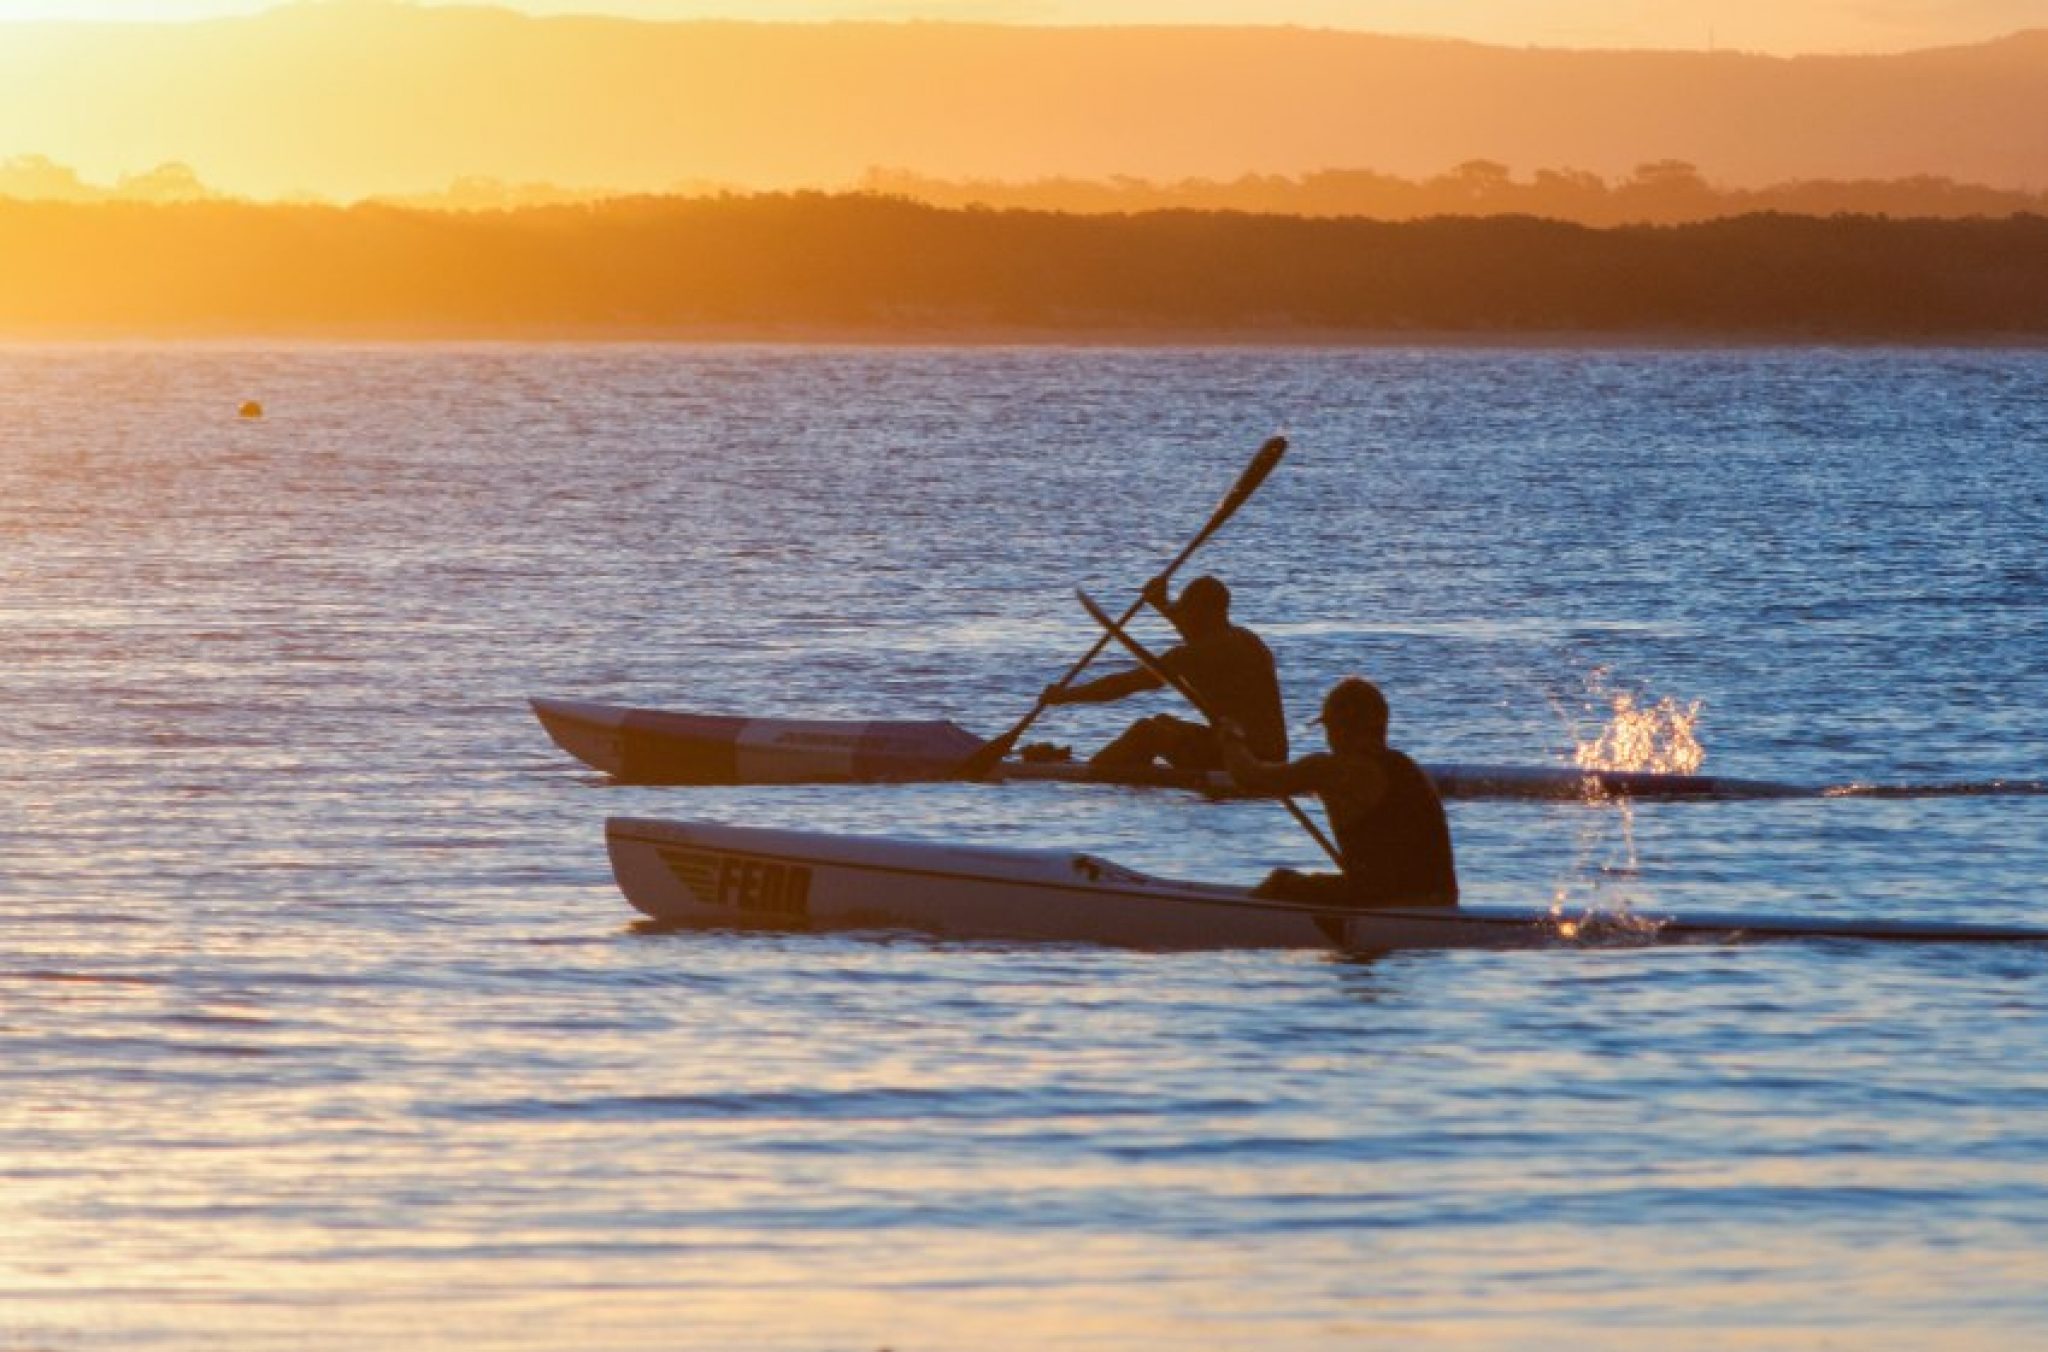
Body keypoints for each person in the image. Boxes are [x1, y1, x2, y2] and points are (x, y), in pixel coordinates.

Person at [1219, 675, 1458, 909]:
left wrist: (1231, 736)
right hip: (1441, 900)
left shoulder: (1333, 769)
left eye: (1329, 726)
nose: (1328, 737)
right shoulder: (1409, 768)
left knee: (1280, 883)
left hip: (1386, 901)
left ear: (1341, 727)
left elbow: (1249, 776)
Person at [1042, 574, 1287, 772]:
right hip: (1270, 754)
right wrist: (1160, 602)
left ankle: (1095, 772)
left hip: (1245, 760)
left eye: (1188, 611)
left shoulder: (1194, 655)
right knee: (1164, 723)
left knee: (1147, 733)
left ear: (1204, 614)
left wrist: (1064, 696)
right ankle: (1128, 771)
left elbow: (1126, 684)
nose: (1182, 619)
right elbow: (1191, 627)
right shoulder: (1248, 640)